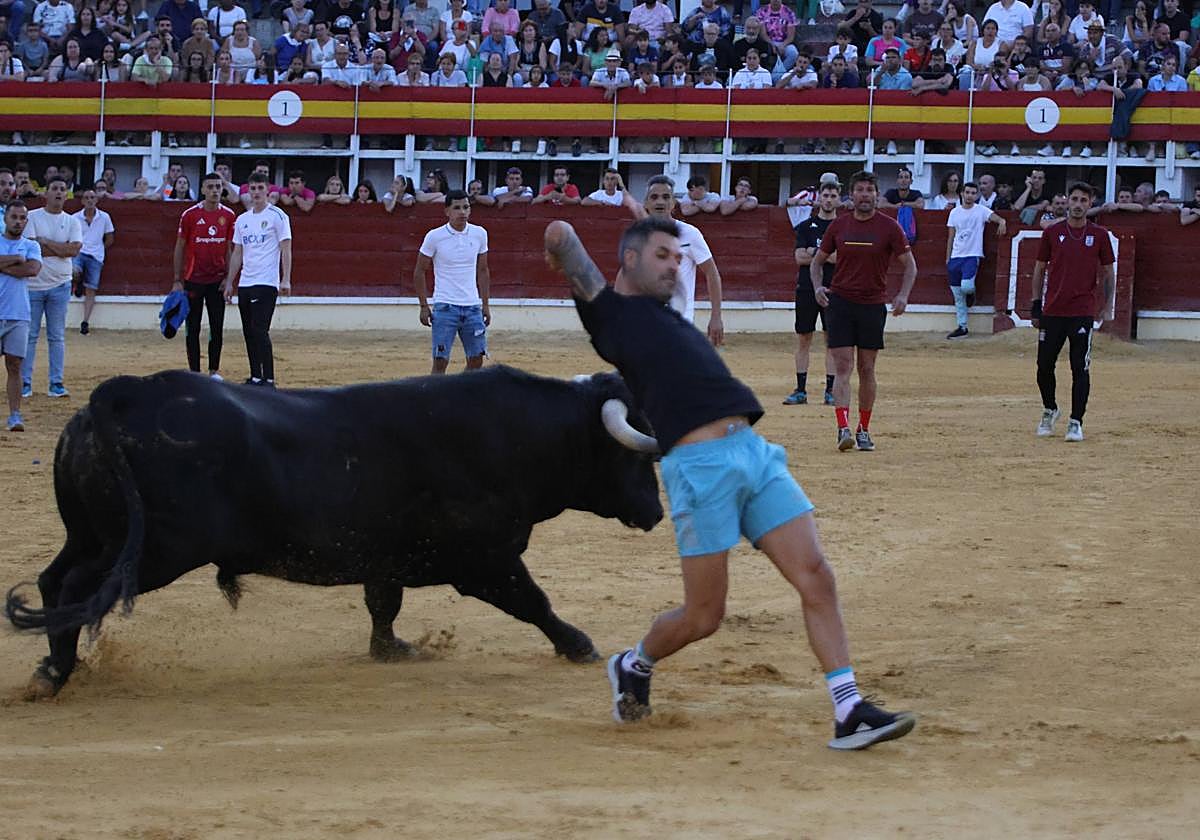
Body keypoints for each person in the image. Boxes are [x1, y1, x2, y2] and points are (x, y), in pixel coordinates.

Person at [543, 217, 917, 750]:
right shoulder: (609, 315)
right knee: (704, 616)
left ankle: (849, 707)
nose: (677, 265)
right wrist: (560, 246)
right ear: (629, 260)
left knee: (817, 576)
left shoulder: (666, 317)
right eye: (664, 256)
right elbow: (561, 232)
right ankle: (634, 664)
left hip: (754, 452)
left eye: (680, 257)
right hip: (699, 469)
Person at [810, 170, 918, 452]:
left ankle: (863, 428)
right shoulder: (838, 226)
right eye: (860, 190)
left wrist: (904, 295)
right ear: (852, 195)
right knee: (843, 367)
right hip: (842, 303)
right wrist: (818, 287)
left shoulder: (890, 227)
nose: (865, 195)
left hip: (872, 305)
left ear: (877, 196)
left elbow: (911, 266)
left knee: (867, 368)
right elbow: (816, 262)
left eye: (870, 190)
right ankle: (843, 427)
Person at [1031, 181, 1115, 443]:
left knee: (1080, 368)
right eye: (1075, 200)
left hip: (1082, 311)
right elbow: (1039, 268)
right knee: (1044, 366)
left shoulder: (1100, 235)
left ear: (1090, 204)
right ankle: (1050, 408)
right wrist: (1036, 303)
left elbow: (1109, 273)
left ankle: (1076, 421)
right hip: (1053, 309)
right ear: (1068, 201)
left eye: (1083, 201)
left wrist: (1108, 305)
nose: (1078, 205)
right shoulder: (1053, 233)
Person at [627, 175, 723, 346]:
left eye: (666, 197)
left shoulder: (690, 233)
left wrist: (716, 316)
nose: (660, 202)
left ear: (673, 203)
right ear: (646, 204)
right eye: (654, 197)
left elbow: (712, 273)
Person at [222, 172, 292, 388]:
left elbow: (286, 249)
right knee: (248, 332)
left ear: (268, 190)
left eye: (260, 188)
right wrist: (229, 282)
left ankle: (268, 378)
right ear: (248, 192)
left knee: (260, 330)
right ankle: (255, 376)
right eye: (253, 189)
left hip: (266, 282)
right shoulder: (242, 220)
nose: (256, 192)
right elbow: (237, 254)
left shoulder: (278, 216)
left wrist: (286, 279)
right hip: (245, 283)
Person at [412, 190, 491, 375]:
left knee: (477, 359)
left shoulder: (479, 234)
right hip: (445, 306)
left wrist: (485, 304)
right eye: (457, 208)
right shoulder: (435, 236)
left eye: (466, 207)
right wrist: (424, 306)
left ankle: (460, 395)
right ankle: (435, 401)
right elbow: (419, 270)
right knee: (440, 361)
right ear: (447, 211)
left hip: (472, 306)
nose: (462, 212)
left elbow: (483, 270)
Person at [21, 175, 80, 399]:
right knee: (31, 336)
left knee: (56, 336)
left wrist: (45, 242)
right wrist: (59, 248)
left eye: (62, 189)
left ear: (66, 194)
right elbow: (32, 250)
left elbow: (73, 251)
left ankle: (56, 383)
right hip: (34, 285)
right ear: (46, 193)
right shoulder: (33, 217)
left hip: (60, 284)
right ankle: (25, 383)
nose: (58, 192)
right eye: (54, 188)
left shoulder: (72, 221)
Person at [174, 172, 235, 380]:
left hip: (217, 280)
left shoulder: (228, 215)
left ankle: (214, 370)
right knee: (193, 327)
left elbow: (229, 249)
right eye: (210, 187)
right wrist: (177, 279)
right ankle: (194, 372)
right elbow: (180, 247)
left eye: (218, 187)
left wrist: (228, 278)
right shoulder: (189, 215)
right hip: (193, 279)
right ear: (202, 190)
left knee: (216, 326)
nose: (215, 191)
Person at [787, 177, 840, 407]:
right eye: (825, 195)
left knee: (832, 340)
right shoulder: (806, 226)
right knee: (804, 338)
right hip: (807, 288)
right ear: (819, 198)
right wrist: (825, 256)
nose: (828, 200)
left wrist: (814, 252)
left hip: (834, 289)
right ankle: (801, 390)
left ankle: (830, 390)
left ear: (839, 199)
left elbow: (841, 258)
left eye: (832, 196)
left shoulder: (842, 228)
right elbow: (799, 258)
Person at [944, 181, 1005, 340]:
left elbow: (995, 217)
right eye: (967, 192)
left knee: (966, 287)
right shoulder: (954, 213)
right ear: (962, 194)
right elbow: (951, 236)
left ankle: (971, 294)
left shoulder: (981, 211)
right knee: (958, 296)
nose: (970, 196)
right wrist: (948, 258)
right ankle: (962, 327)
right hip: (956, 257)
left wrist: (1003, 222)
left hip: (972, 255)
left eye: (973, 193)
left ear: (976, 195)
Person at [0, 200, 40, 431]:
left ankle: (15, 415)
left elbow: (33, 270)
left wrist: (3, 266)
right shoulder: (24, 250)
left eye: (22, 218)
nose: (18, 222)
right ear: (5, 218)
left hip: (18, 313)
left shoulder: (31, 246)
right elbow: (24, 266)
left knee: (15, 366)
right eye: (14, 217)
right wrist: (16, 259)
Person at [71, 187, 114, 335]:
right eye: (87, 198)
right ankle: (78, 282)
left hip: (96, 256)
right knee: (73, 271)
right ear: (82, 201)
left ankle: (85, 322)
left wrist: (99, 248)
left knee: (91, 289)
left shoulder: (105, 217)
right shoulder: (75, 218)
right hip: (80, 252)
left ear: (96, 200)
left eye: (92, 197)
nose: (90, 200)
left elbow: (110, 238)